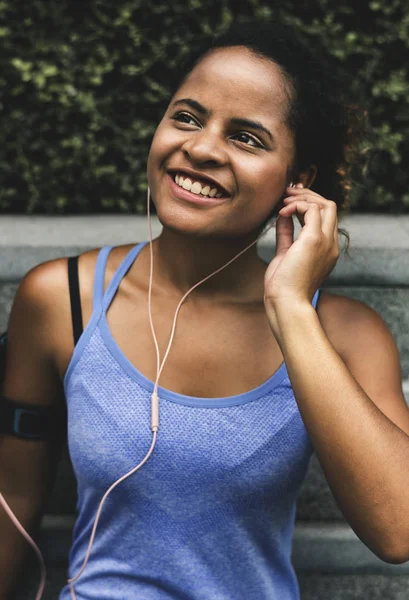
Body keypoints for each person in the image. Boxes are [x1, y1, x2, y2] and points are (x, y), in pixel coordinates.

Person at [1, 19, 409, 600]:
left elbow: (398, 530)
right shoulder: (62, 298)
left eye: (246, 137)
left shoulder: (345, 335)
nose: (200, 147)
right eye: (187, 117)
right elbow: (13, 503)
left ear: (299, 182)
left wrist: (290, 307)